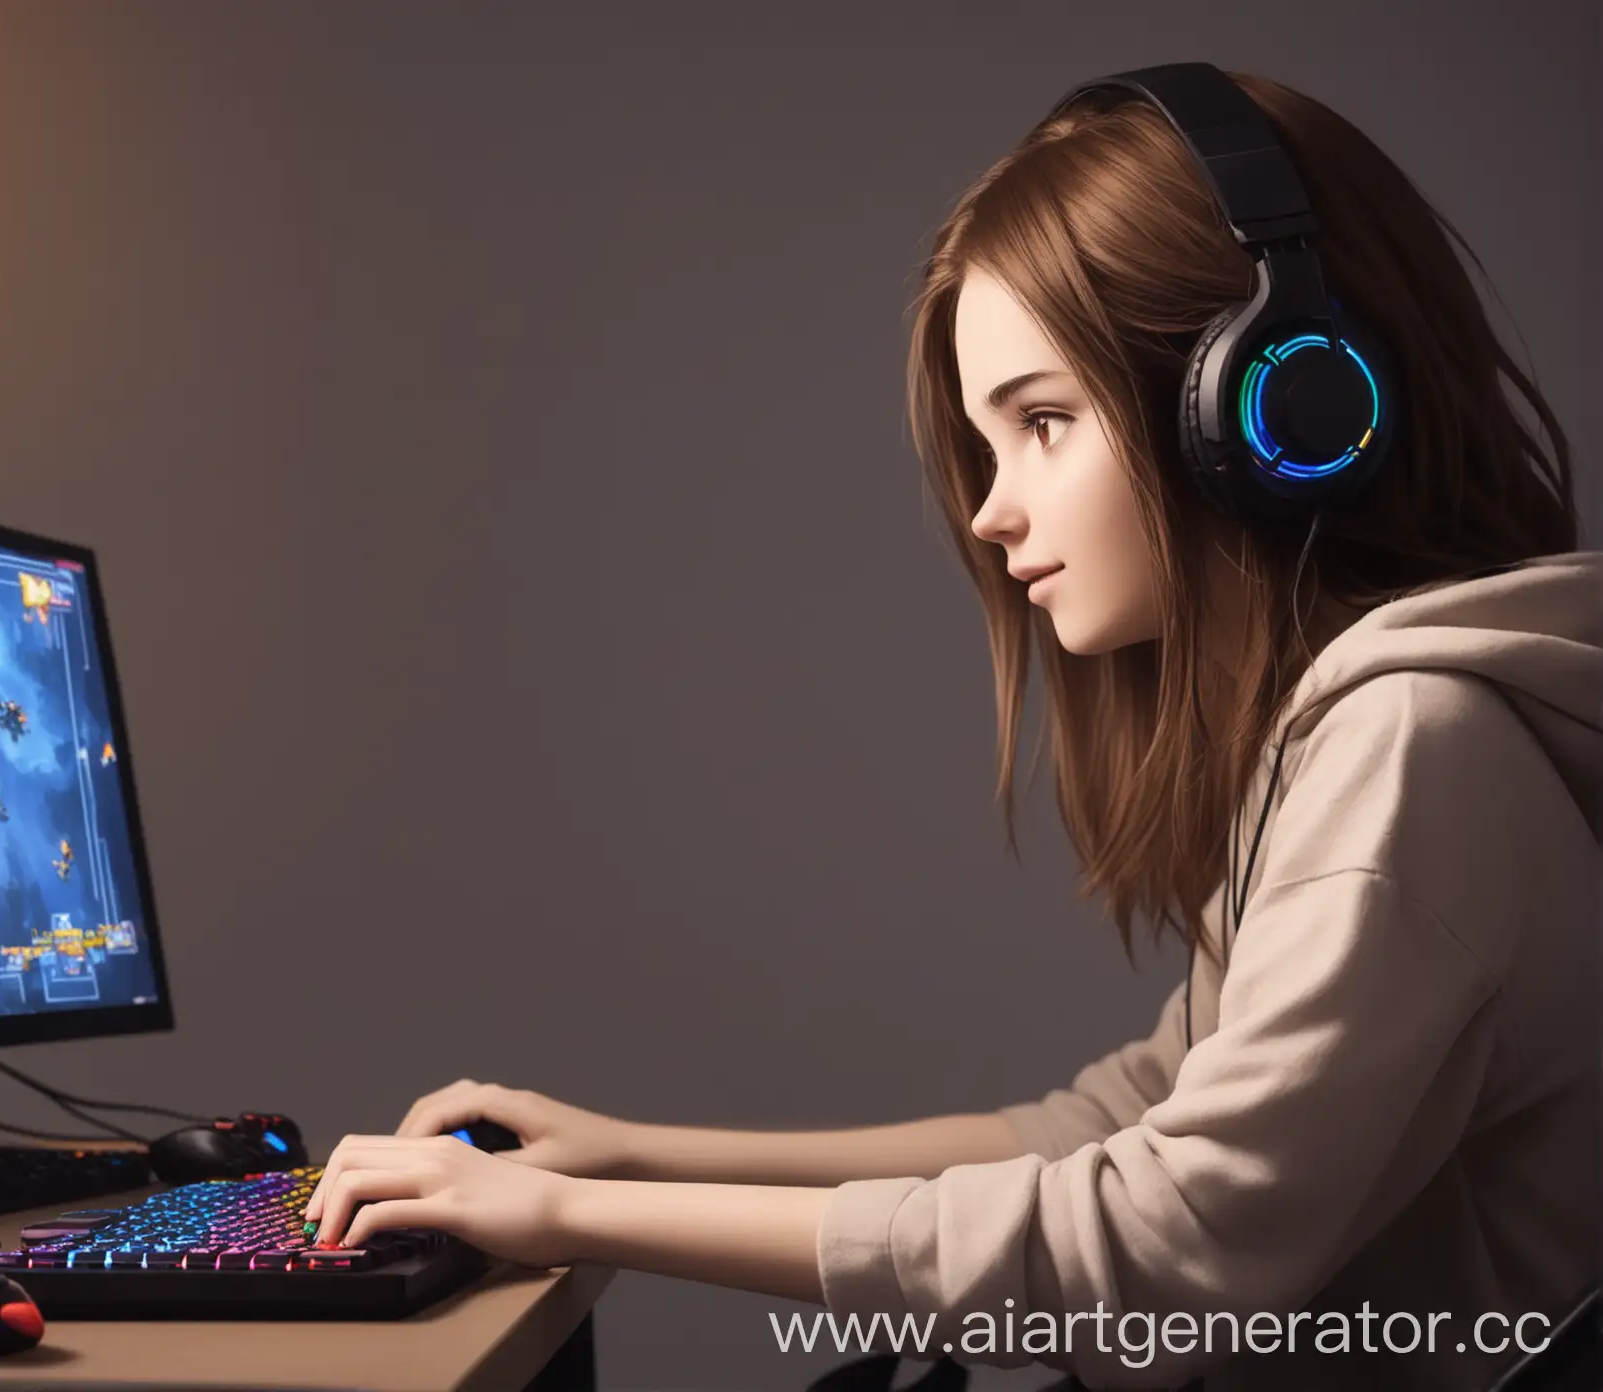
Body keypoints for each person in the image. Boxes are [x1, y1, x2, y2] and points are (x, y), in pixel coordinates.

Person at [302, 68, 1601, 1390]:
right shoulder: (1363, 735)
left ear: (1273, 409)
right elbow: (1113, 1125)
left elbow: (1157, 1261)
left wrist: (572, 1218)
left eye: (1042, 424)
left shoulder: (1415, 745)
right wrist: (634, 1154)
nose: (991, 513)